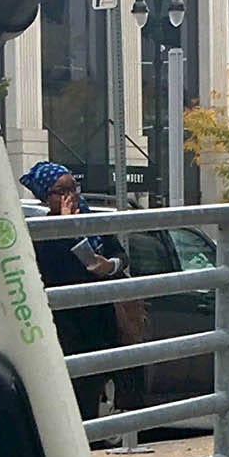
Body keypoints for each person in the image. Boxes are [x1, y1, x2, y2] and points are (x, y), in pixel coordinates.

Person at [20, 161, 136, 419]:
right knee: (70, 399)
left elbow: (119, 254)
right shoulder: (42, 232)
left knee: (96, 390)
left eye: (73, 188)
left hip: (100, 322)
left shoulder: (91, 221)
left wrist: (109, 265)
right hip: (65, 328)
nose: (70, 196)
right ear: (45, 196)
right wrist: (66, 229)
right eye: (61, 191)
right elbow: (53, 269)